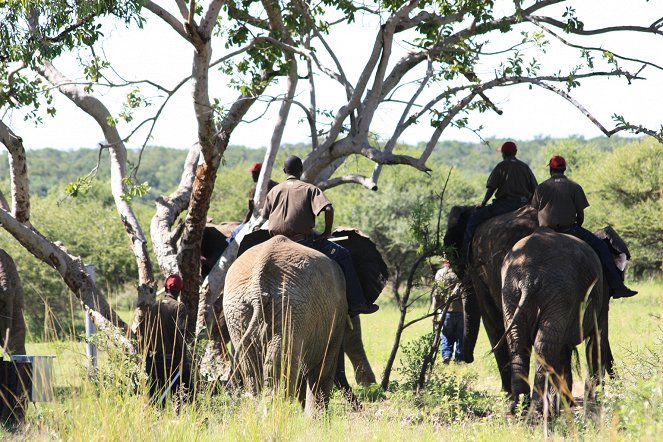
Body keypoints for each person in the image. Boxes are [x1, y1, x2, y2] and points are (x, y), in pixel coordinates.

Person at [261, 155, 379, 316]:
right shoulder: (309, 189)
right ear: (301, 170)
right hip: (302, 241)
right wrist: (326, 232)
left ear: (284, 171)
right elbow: (328, 209)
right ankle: (358, 303)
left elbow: (265, 216)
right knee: (343, 255)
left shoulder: (273, 191)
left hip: (275, 242)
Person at [531, 155, 637, 298]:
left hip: (544, 232)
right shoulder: (574, 186)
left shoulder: (541, 187)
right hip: (569, 229)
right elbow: (580, 215)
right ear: (564, 169)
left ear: (550, 169)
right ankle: (617, 286)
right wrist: (578, 227)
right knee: (601, 247)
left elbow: (534, 211)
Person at [462, 141, 538, 262]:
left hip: (504, 205)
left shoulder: (501, 166)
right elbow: (535, 189)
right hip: (524, 204)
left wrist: (483, 203)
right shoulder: (524, 167)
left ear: (503, 154)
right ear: (515, 152)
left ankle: (465, 257)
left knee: (473, 221)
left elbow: (491, 188)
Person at [136, 274, 192, 405]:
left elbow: (144, 332)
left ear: (165, 288)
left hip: (153, 361)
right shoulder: (179, 307)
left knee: (155, 400)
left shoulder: (154, 306)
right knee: (187, 396)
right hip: (172, 361)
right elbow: (180, 334)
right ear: (179, 290)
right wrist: (184, 360)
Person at [433, 258, 464, 363]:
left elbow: (436, 294)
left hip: (446, 312)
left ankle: (446, 356)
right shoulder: (459, 274)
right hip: (460, 311)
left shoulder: (439, 274)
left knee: (446, 335)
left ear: (445, 262)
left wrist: (435, 313)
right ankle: (459, 359)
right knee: (460, 336)